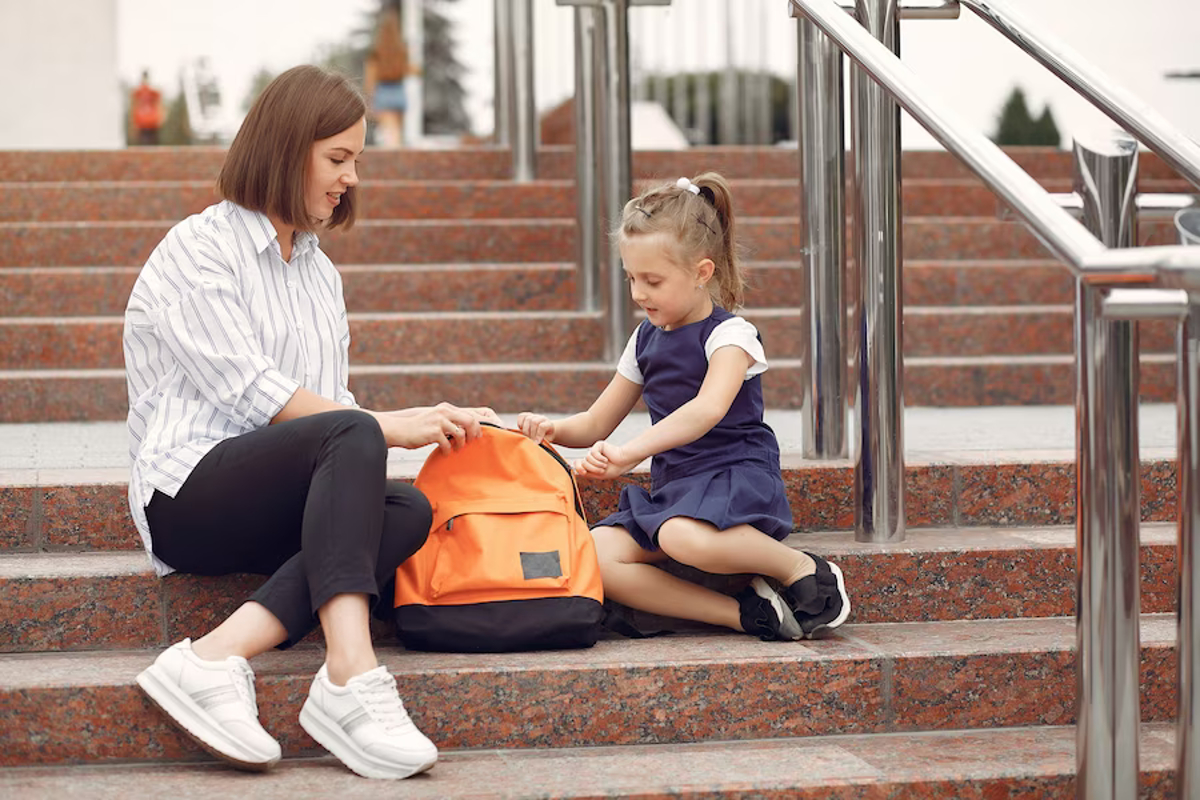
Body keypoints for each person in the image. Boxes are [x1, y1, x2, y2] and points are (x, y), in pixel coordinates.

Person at [123, 64, 497, 780]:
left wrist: (409, 426)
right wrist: (392, 424)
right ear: (286, 148)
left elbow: (327, 414)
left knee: (407, 508)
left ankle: (213, 656)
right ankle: (349, 675)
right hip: (188, 492)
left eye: (355, 159)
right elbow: (262, 397)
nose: (351, 177)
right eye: (337, 158)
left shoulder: (319, 274)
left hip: (278, 493)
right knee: (356, 431)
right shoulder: (198, 250)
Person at [518, 174, 851, 642]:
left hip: (735, 476)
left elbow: (706, 410)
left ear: (702, 272)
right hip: (676, 490)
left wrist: (631, 453)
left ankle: (804, 570)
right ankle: (744, 614)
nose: (638, 293)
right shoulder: (645, 339)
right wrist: (548, 429)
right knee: (593, 552)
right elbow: (596, 422)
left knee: (678, 534)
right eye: (631, 277)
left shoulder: (731, 335)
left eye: (653, 280)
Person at [364, 4, 416, 148]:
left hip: (384, 92)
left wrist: (369, 100)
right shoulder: (401, 51)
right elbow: (411, 70)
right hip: (399, 91)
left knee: (389, 133)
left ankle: (392, 162)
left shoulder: (376, 53)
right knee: (396, 133)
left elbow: (370, 80)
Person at [130, 69, 165, 146]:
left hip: (152, 122)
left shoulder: (153, 92)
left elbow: (159, 104)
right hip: (142, 123)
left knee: (153, 145)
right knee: (144, 145)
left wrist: (160, 117)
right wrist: (134, 123)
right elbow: (134, 106)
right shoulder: (138, 92)